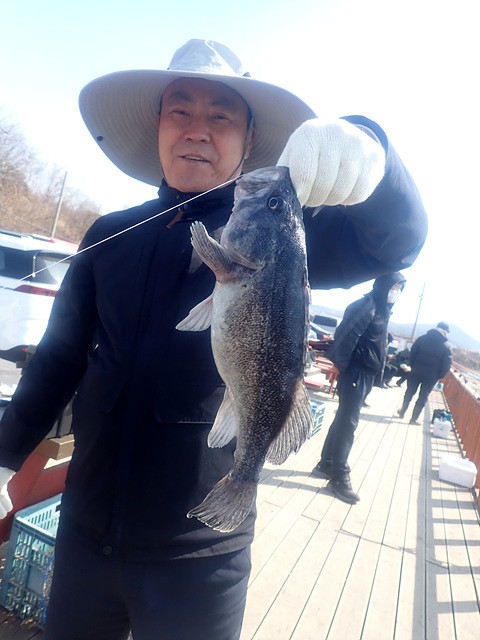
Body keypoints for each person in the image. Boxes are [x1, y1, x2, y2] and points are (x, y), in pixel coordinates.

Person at [0, 39, 427, 640]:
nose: (197, 128)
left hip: (201, 558)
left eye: (221, 115)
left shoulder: (276, 229)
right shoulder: (108, 234)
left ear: (249, 140)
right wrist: (5, 456)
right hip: (83, 538)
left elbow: (395, 242)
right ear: (158, 126)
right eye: (180, 110)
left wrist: (371, 144)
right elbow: (58, 359)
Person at [312, 272, 406, 504]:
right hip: (355, 372)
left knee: (344, 419)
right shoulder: (367, 306)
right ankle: (339, 477)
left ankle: (326, 463)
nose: (396, 292)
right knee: (349, 423)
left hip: (366, 374)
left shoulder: (382, 310)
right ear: (384, 285)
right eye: (394, 287)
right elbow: (346, 335)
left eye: (400, 288)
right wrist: (341, 366)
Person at [397, 322, 452, 425]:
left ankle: (402, 412)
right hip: (431, 376)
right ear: (445, 332)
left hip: (416, 371)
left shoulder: (422, 338)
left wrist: (412, 366)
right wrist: (439, 376)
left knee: (409, 392)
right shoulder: (447, 346)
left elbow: (412, 353)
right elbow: (446, 365)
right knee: (423, 397)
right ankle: (413, 419)